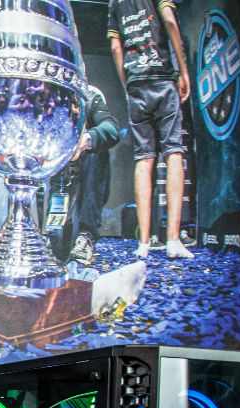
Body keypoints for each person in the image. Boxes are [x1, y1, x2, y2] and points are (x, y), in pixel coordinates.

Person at [109, 0, 194, 260]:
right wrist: (182, 70)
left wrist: (127, 85)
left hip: (136, 82)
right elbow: (168, 20)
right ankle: (172, 240)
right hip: (161, 78)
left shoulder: (114, 2)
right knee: (173, 153)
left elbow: (115, 47)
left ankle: (143, 244)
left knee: (143, 159)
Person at [54, 83, 122, 267]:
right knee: (57, 245)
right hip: (59, 177)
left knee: (98, 150)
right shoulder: (47, 96)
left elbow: (111, 129)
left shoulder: (91, 96)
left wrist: (87, 139)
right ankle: (48, 232)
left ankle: (86, 236)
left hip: (87, 177)